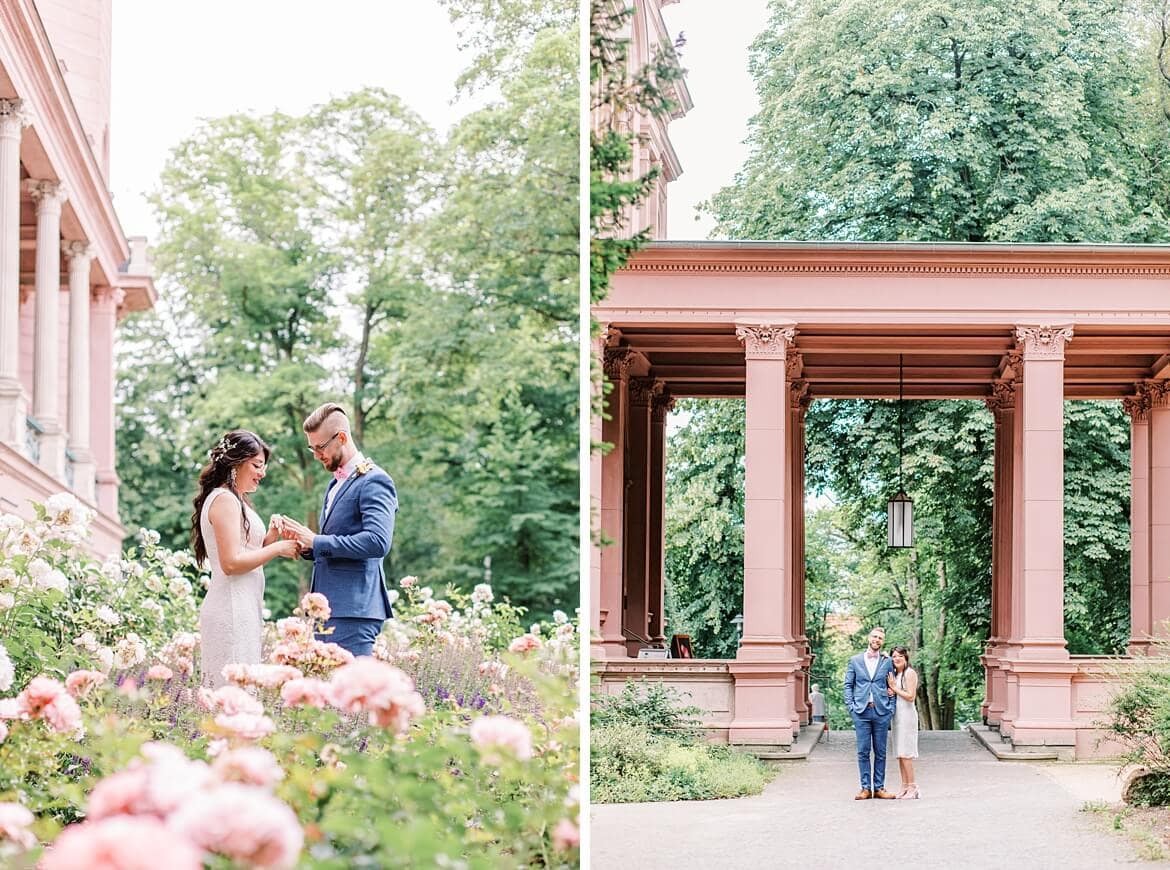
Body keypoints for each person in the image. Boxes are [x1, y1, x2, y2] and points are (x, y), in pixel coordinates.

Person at [279, 403, 398, 657]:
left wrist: (318, 541)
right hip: (328, 610)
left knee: (352, 694)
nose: (316, 455)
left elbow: (378, 542)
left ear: (342, 437)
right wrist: (308, 546)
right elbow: (336, 541)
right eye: (312, 448)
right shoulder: (334, 484)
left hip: (354, 611)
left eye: (320, 447)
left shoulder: (375, 480)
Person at [191, 430, 301, 688]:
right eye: (257, 465)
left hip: (244, 606)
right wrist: (278, 549)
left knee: (243, 688)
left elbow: (247, 555)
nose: (262, 473)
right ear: (235, 463)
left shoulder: (236, 500)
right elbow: (230, 564)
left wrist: (271, 537)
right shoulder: (224, 500)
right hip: (229, 607)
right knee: (231, 691)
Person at [843, 626, 898, 800]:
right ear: (869, 638)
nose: (877, 640)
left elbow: (893, 685)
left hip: (881, 711)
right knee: (863, 751)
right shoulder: (855, 660)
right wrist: (851, 707)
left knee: (881, 751)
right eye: (874, 636)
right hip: (861, 711)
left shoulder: (887, 661)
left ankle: (880, 788)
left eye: (880, 638)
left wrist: (891, 708)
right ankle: (865, 788)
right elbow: (848, 685)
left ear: (883, 642)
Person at [887, 645, 921, 799]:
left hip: (907, 716)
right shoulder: (895, 674)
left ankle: (913, 786)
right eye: (893, 656)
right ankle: (904, 785)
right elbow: (896, 694)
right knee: (900, 753)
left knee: (906, 753)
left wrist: (894, 688)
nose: (896, 659)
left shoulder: (910, 673)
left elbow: (910, 696)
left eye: (900, 656)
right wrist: (891, 691)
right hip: (897, 717)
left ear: (906, 657)